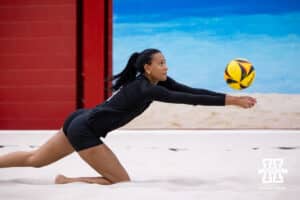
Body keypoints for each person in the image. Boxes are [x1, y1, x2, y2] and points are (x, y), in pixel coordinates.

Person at [0, 48, 256, 185]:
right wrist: (233, 101)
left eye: (166, 62)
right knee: (120, 181)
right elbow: (188, 100)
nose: (166, 67)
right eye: (161, 63)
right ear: (148, 67)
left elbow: (191, 91)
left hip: (79, 119)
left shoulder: (148, 82)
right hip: (85, 130)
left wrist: (230, 98)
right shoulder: (145, 89)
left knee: (35, 159)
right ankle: (68, 180)